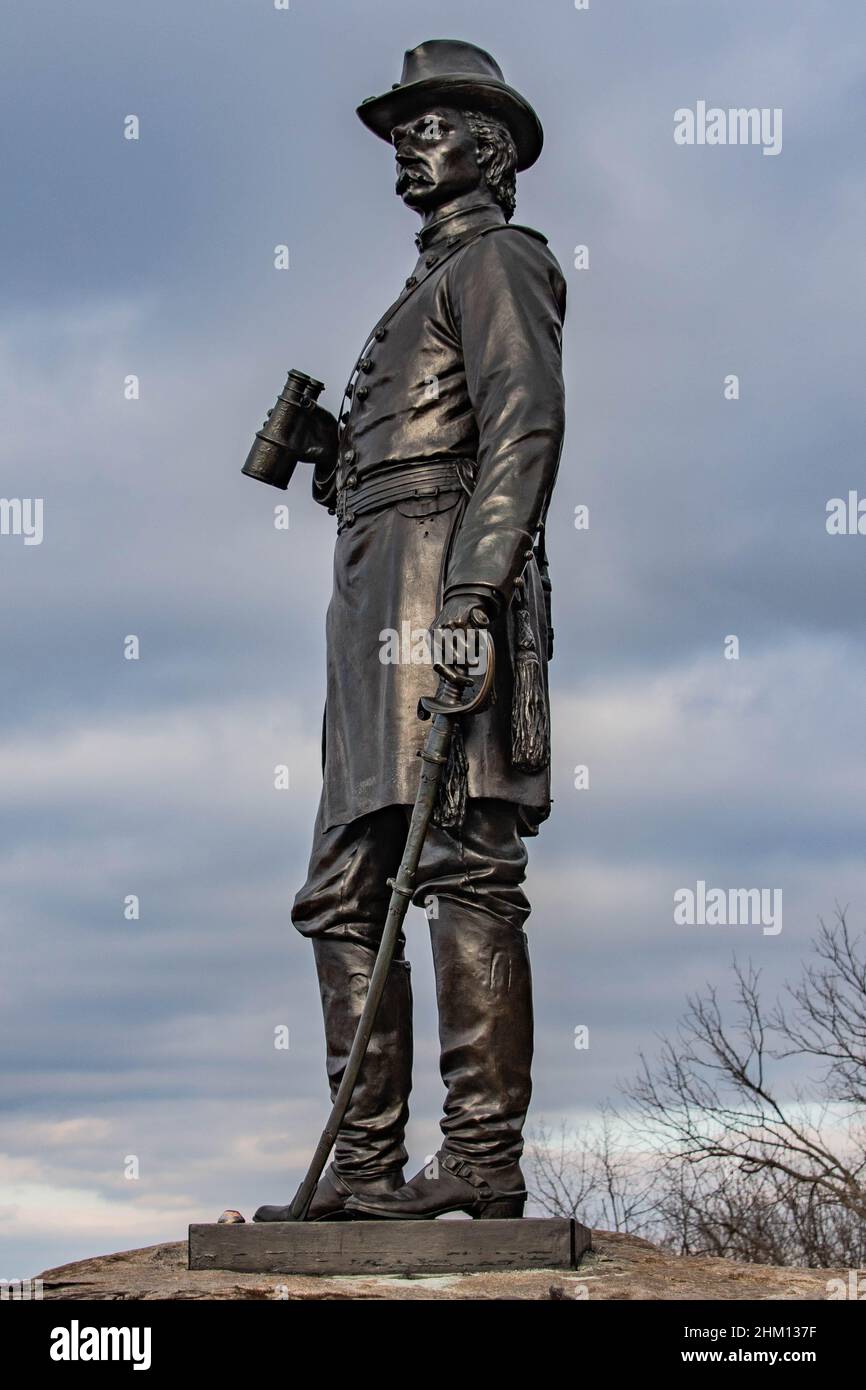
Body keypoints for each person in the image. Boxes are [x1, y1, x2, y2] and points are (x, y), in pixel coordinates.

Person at [254, 39, 566, 1223]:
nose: (403, 146)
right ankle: (366, 1169)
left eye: (426, 126)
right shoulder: (418, 289)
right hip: (372, 597)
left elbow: (523, 428)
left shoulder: (499, 262)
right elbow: (412, 459)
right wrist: (341, 460)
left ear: (483, 145)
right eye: (398, 131)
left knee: (464, 867)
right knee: (342, 888)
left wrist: (474, 596)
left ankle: (480, 1157)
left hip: (444, 595)